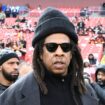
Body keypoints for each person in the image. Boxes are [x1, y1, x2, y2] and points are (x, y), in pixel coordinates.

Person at [0, 7, 99, 105]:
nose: (59, 52)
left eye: (65, 47)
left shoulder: (87, 91)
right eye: (51, 47)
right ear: (40, 53)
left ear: (71, 53)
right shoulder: (15, 94)